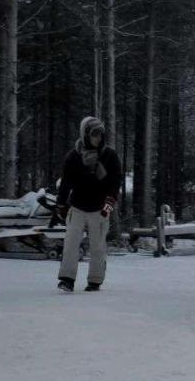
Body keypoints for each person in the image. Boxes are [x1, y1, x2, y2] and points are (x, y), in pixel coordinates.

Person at [56, 117, 122, 292]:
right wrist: (61, 205)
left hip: (100, 209)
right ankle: (67, 279)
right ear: (85, 134)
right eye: (94, 134)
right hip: (77, 207)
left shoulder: (110, 155)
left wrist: (108, 206)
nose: (98, 138)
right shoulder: (73, 156)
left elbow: (115, 184)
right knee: (70, 243)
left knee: (98, 246)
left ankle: (95, 281)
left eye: (100, 134)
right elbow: (66, 183)